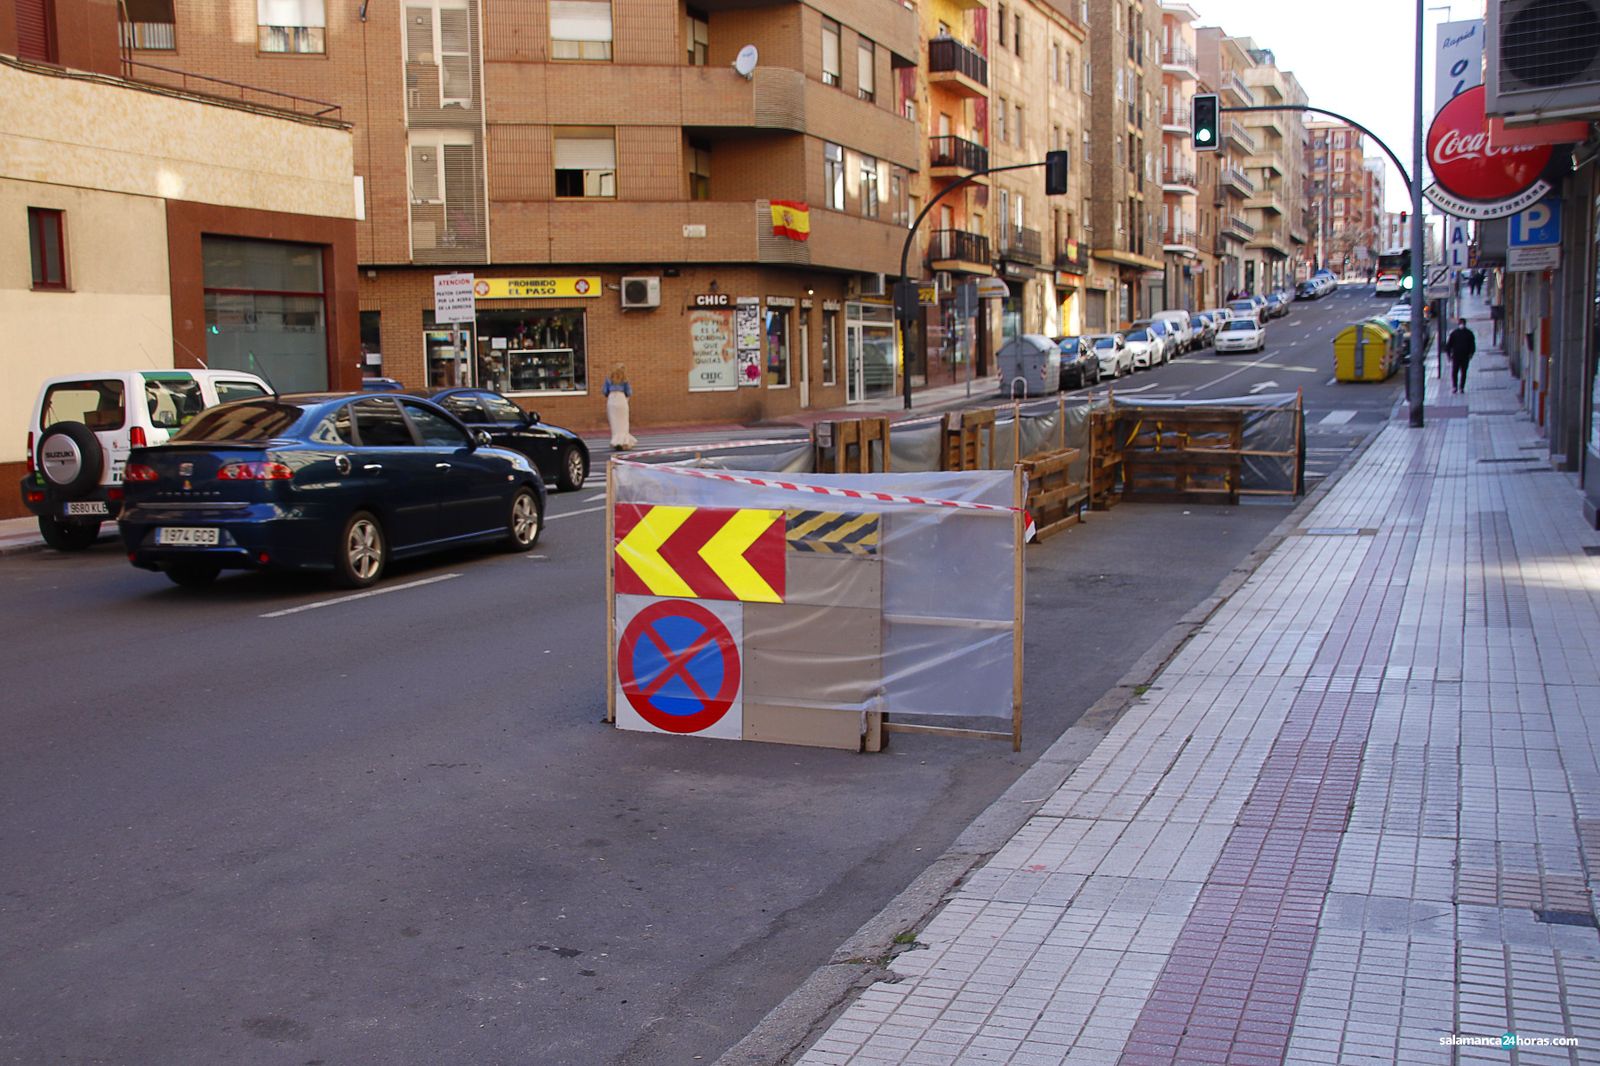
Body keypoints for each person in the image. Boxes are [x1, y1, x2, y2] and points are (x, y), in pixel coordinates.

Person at [604, 363, 637, 451]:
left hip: (612, 400)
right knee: (623, 423)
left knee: (614, 423)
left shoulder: (608, 379)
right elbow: (629, 392)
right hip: (621, 399)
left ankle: (616, 441)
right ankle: (624, 442)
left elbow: (604, 391)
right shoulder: (625, 380)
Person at [1445, 318, 1476, 394]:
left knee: (1459, 372)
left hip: (1459, 356)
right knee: (1460, 372)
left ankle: (1459, 387)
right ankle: (1458, 387)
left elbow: (1449, 345)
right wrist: (1471, 354)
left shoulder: (1456, 333)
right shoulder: (1467, 333)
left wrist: (1449, 355)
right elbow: (1449, 345)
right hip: (1460, 356)